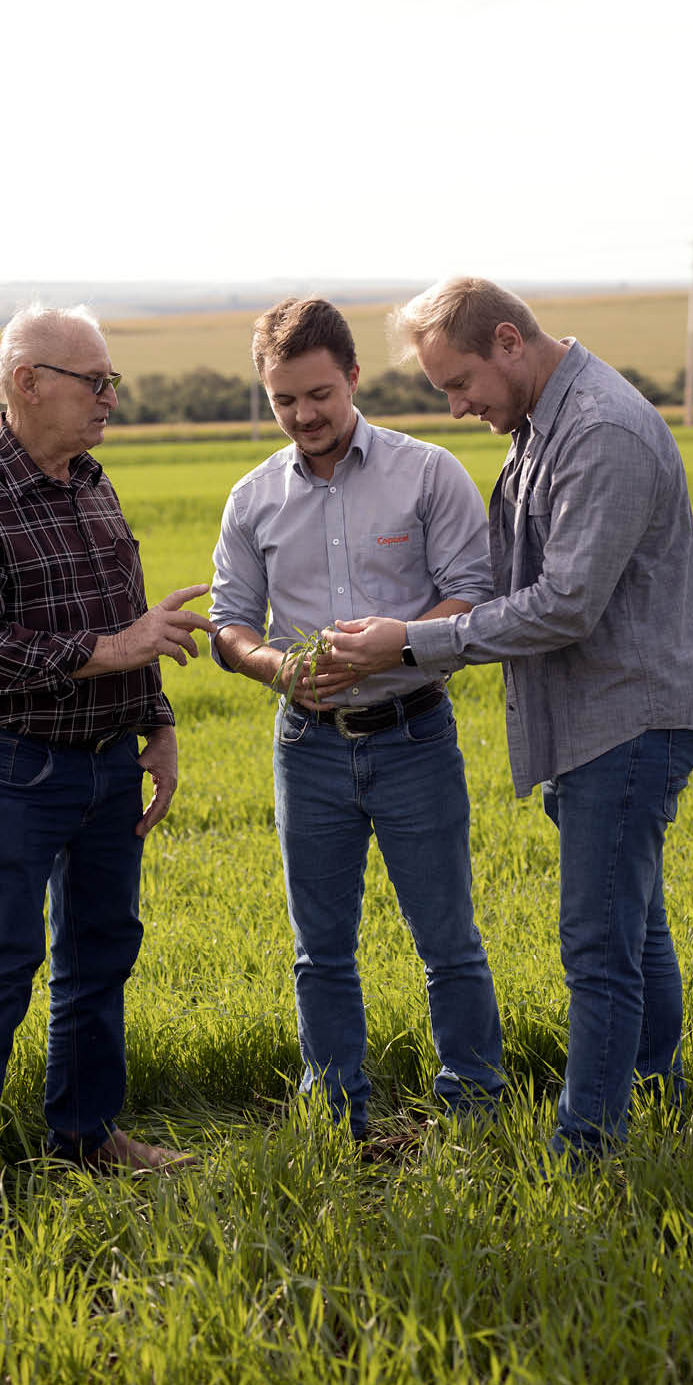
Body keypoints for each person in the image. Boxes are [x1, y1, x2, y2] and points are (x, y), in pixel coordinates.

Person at [327, 276, 693, 1168]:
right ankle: (654, 1088)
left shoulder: (598, 433)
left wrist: (410, 644)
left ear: (509, 342)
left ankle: (586, 1147)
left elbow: (563, 607)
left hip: (629, 716)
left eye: (459, 382)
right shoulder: (540, 423)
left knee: (596, 944)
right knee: (635, 923)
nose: (457, 403)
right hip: (594, 712)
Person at [0, 302, 213, 1244]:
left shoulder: (89, 479)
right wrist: (113, 649)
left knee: (101, 954)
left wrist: (155, 718)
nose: (110, 400)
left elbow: (126, 614)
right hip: (16, 770)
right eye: (96, 382)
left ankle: (84, 1134)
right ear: (26, 382)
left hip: (107, 767)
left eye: (112, 381)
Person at [209, 296, 503, 1145]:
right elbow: (231, 622)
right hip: (307, 748)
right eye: (283, 401)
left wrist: (394, 646)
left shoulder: (427, 473)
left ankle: (474, 1109)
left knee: (446, 939)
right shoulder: (254, 498)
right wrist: (275, 668)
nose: (303, 416)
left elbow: (472, 595)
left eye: (318, 396)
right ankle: (336, 1116)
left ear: (352, 380)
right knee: (320, 949)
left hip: (413, 735)